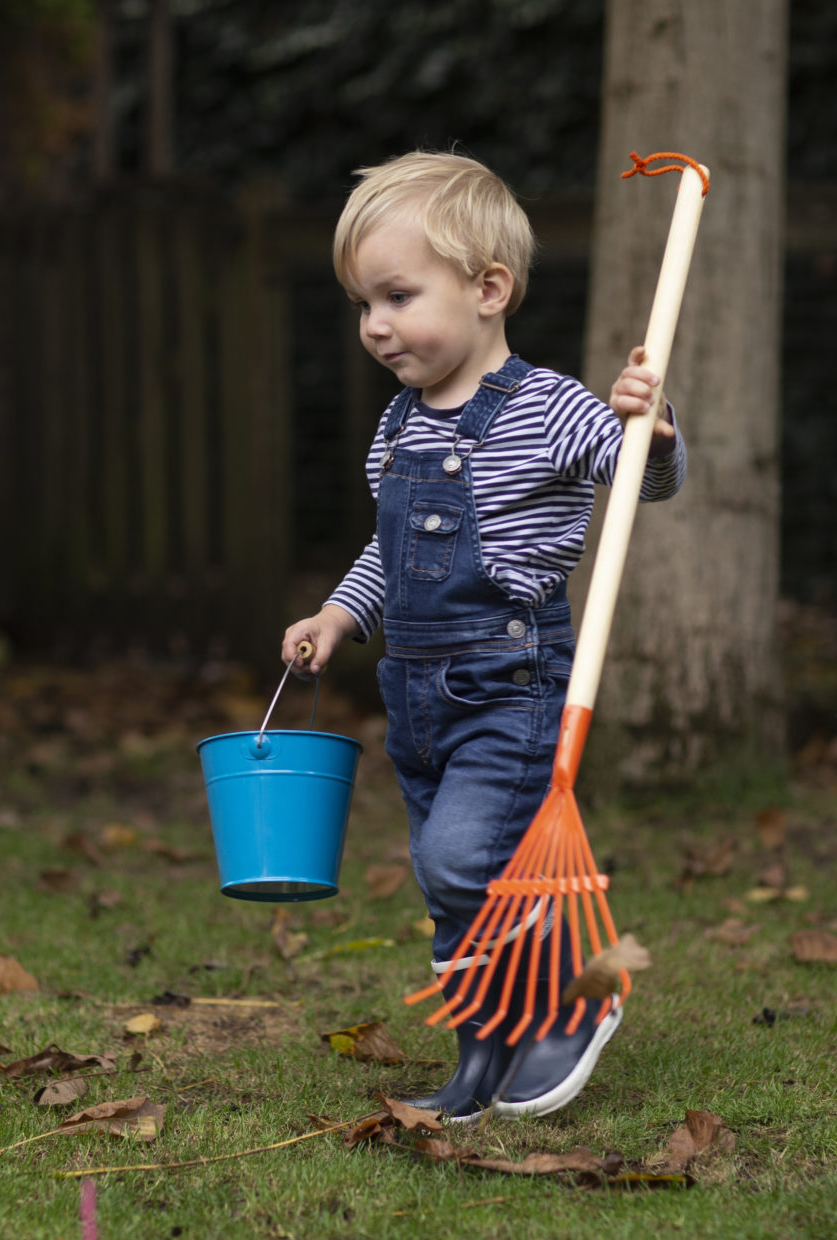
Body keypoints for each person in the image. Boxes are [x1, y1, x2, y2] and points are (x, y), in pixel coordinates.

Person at [282, 151, 685, 1121]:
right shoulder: (398, 427)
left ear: (487, 290)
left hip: (512, 681)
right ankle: (483, 1046)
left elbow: (640, 483)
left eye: (397, 295)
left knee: (469, 857)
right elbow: (389, 550)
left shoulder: (549, 409)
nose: (375, 324)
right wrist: (340, 614)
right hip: (418, 694)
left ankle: (575, 1004)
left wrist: (653, 431)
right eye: (362, 304)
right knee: (448, 877)